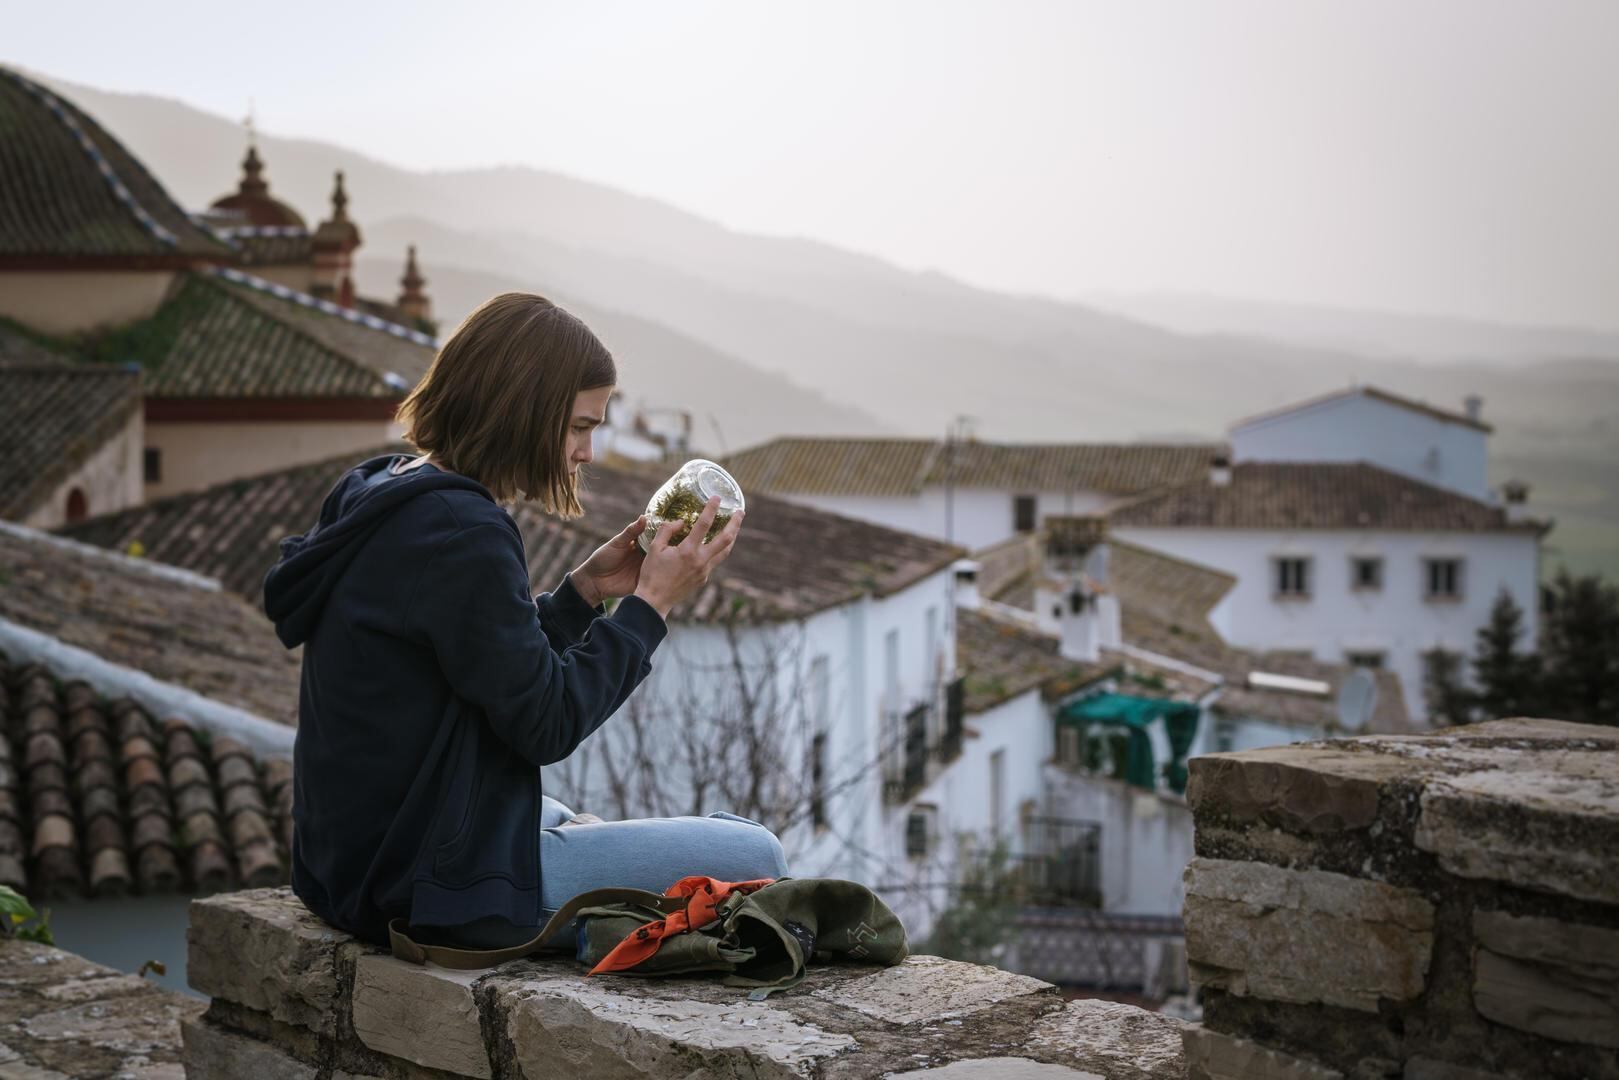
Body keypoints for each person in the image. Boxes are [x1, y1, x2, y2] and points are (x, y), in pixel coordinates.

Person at [262, 292, 787, 949]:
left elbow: (486, 663)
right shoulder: (465, 530)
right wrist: (651, 606)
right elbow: (545, 723)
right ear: (520, 411)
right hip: (427, 887)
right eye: (577, 426)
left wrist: (586, 593)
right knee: (755, 854)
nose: (588, 451)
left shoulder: (381, 489)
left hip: (349, 863)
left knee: (571, 819)